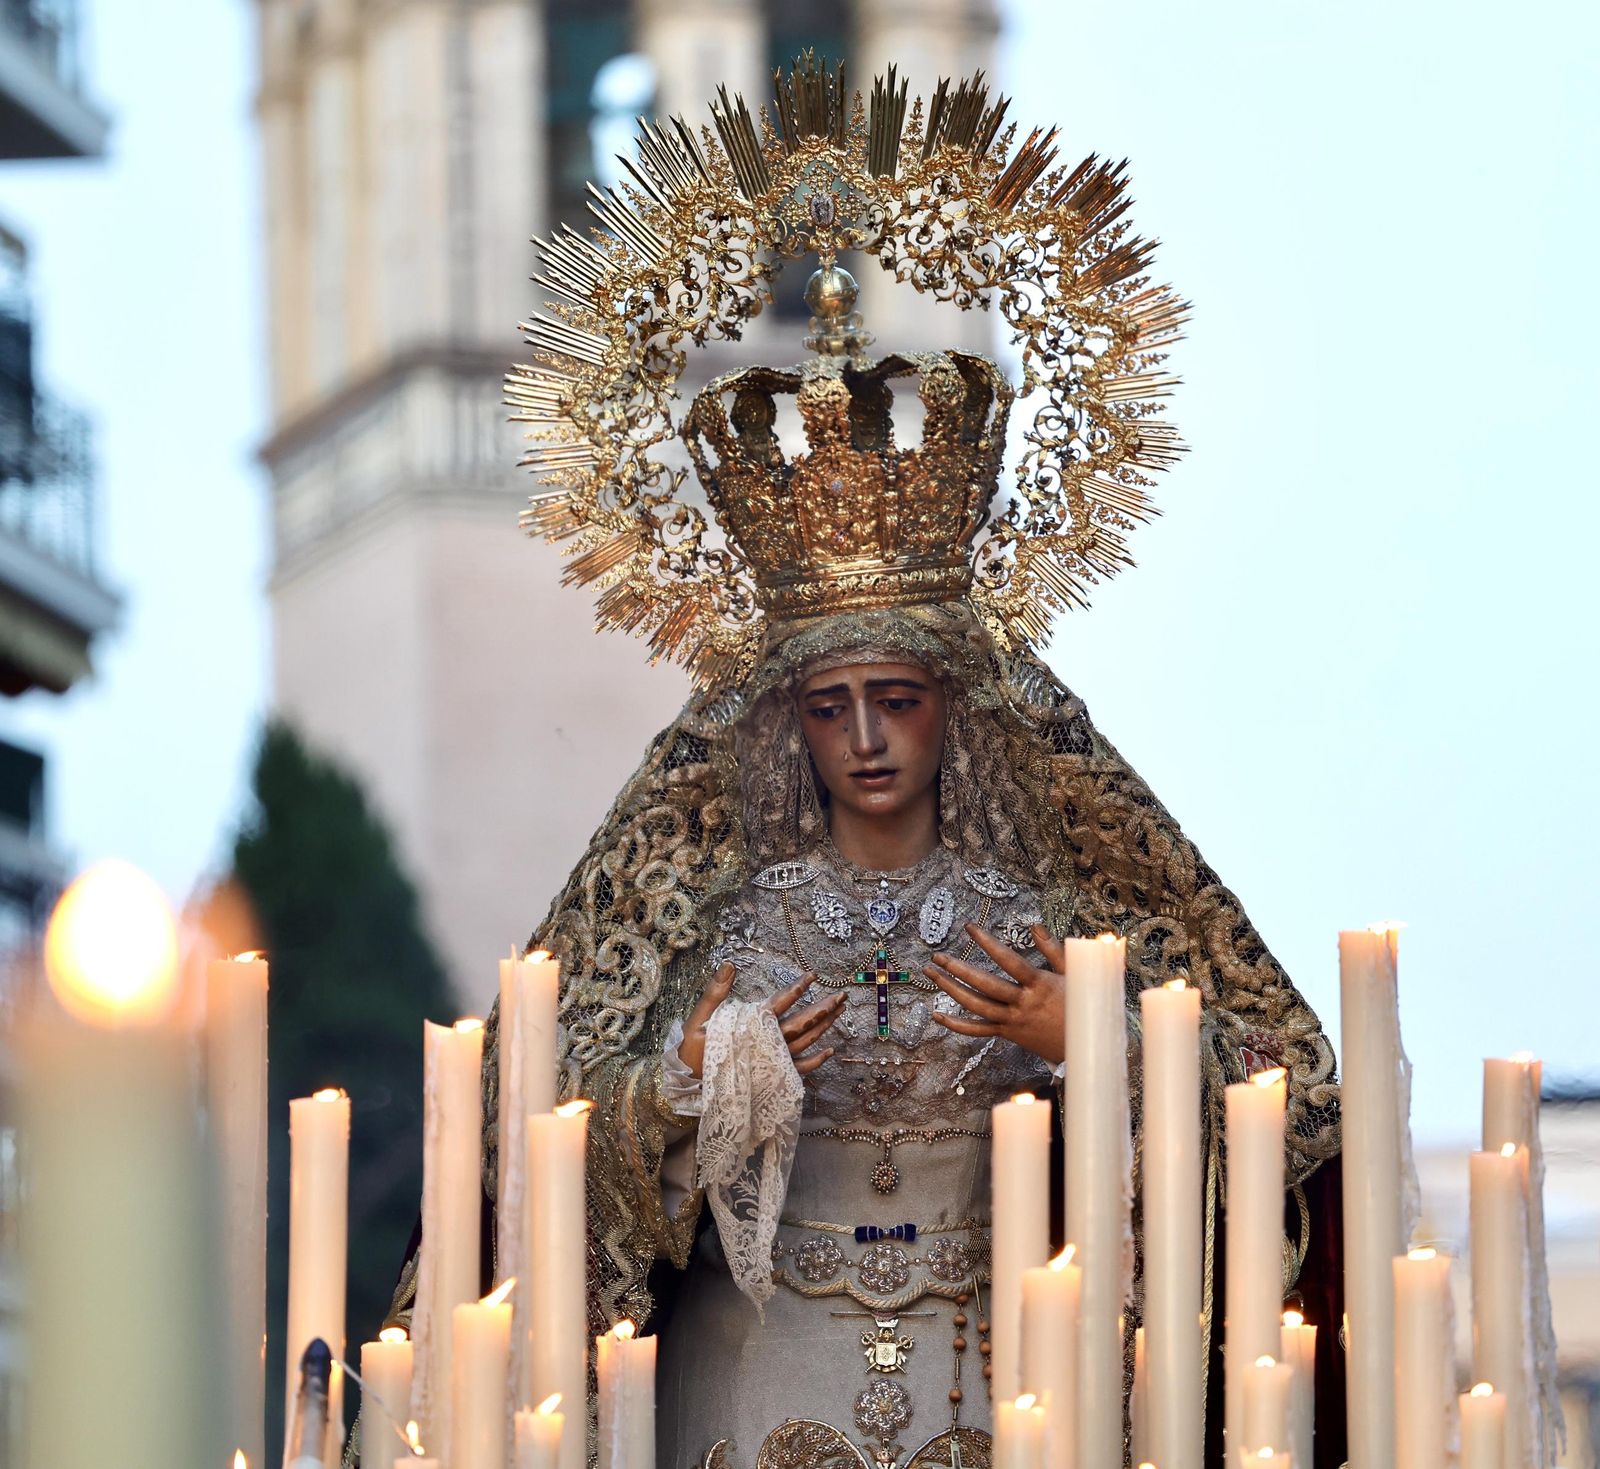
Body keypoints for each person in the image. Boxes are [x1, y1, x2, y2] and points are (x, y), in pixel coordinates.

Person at [379, 59, 1347, 1469]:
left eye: (898, 696)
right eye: (831, 707)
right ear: (786, 724)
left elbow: (1278, 1096)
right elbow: (543, 1153)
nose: (870, 738)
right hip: (747, 1391)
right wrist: (685, 1090)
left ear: (960, 707)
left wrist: (1106, 1046)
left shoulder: (1049, 907)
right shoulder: (714, 909)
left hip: (1001, 1389)